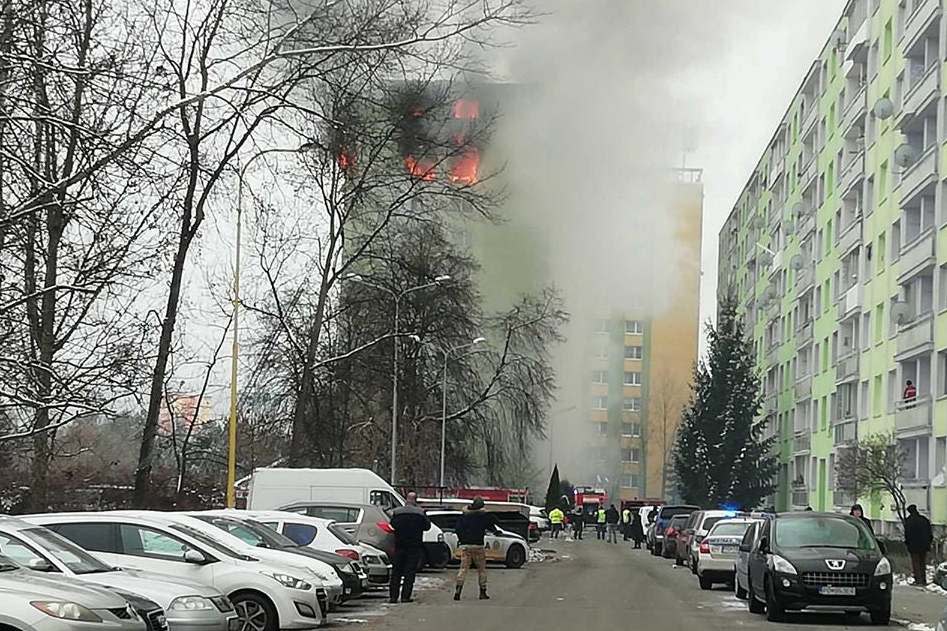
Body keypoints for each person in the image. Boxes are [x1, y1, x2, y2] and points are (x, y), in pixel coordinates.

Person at [454, 497, 500, 601]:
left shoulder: (464, 516)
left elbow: (457, 529)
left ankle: (458, 590)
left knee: (463, 569)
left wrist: (462, 539)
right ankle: (482, 592)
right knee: (482, 570)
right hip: (478, 546)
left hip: (466, 546)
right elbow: (492, 525)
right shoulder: (483, 516)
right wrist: (496, 531)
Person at [388, 491, 431, 604]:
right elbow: (427, 527)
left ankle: (393, 597)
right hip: (414, 546)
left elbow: (392, 525)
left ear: (406, 499)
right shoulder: (421, 513)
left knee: (396, 572)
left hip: (400, 545)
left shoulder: (397, 512)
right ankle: (405, 596)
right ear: (415, 500)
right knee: (409, 572)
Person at [904, 504, 933, 587]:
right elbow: (930, 533)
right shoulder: (924, 520)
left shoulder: (909, 521)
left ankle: (918, 580)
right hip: (924, 545)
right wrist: (928, 543)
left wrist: (907, 543)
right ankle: (923, 580)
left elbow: (907, 534)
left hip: (913, 546)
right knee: (922, 563)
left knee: (915, 563)